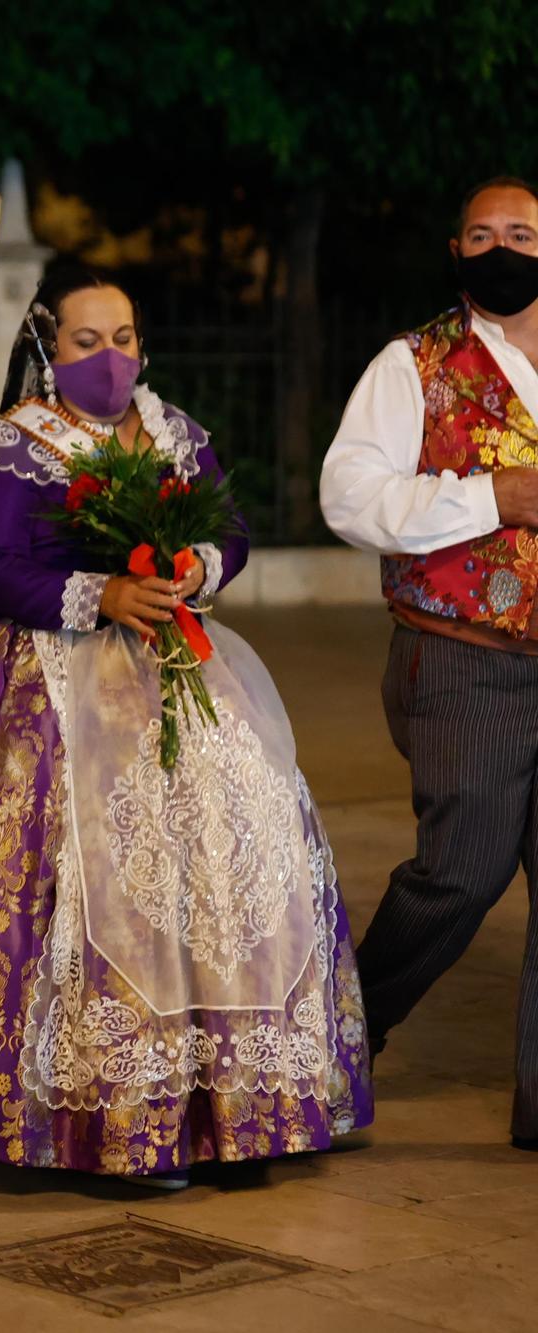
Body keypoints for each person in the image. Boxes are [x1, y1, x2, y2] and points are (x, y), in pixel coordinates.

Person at [0, 267, 373, 1186]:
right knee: (59, 881)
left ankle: (227, 1105)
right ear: (47, 351)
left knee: (219, 870)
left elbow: (236, 527)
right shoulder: (13, 444)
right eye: (88, 342)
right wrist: (104, 592)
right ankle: (105, 1117)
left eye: (125, 338)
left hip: (172, 667)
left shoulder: (172, 431)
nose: (111, 359)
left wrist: (194, 566)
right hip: (37, 673)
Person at [320, 176, 538, 1152]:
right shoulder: (411, 364)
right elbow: (348, 499)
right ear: (454, 251)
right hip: (460, 660)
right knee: (457, 874)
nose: (503, 247)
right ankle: (326, 1046)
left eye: (522, 233)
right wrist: (495, 493)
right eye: (482, 233)